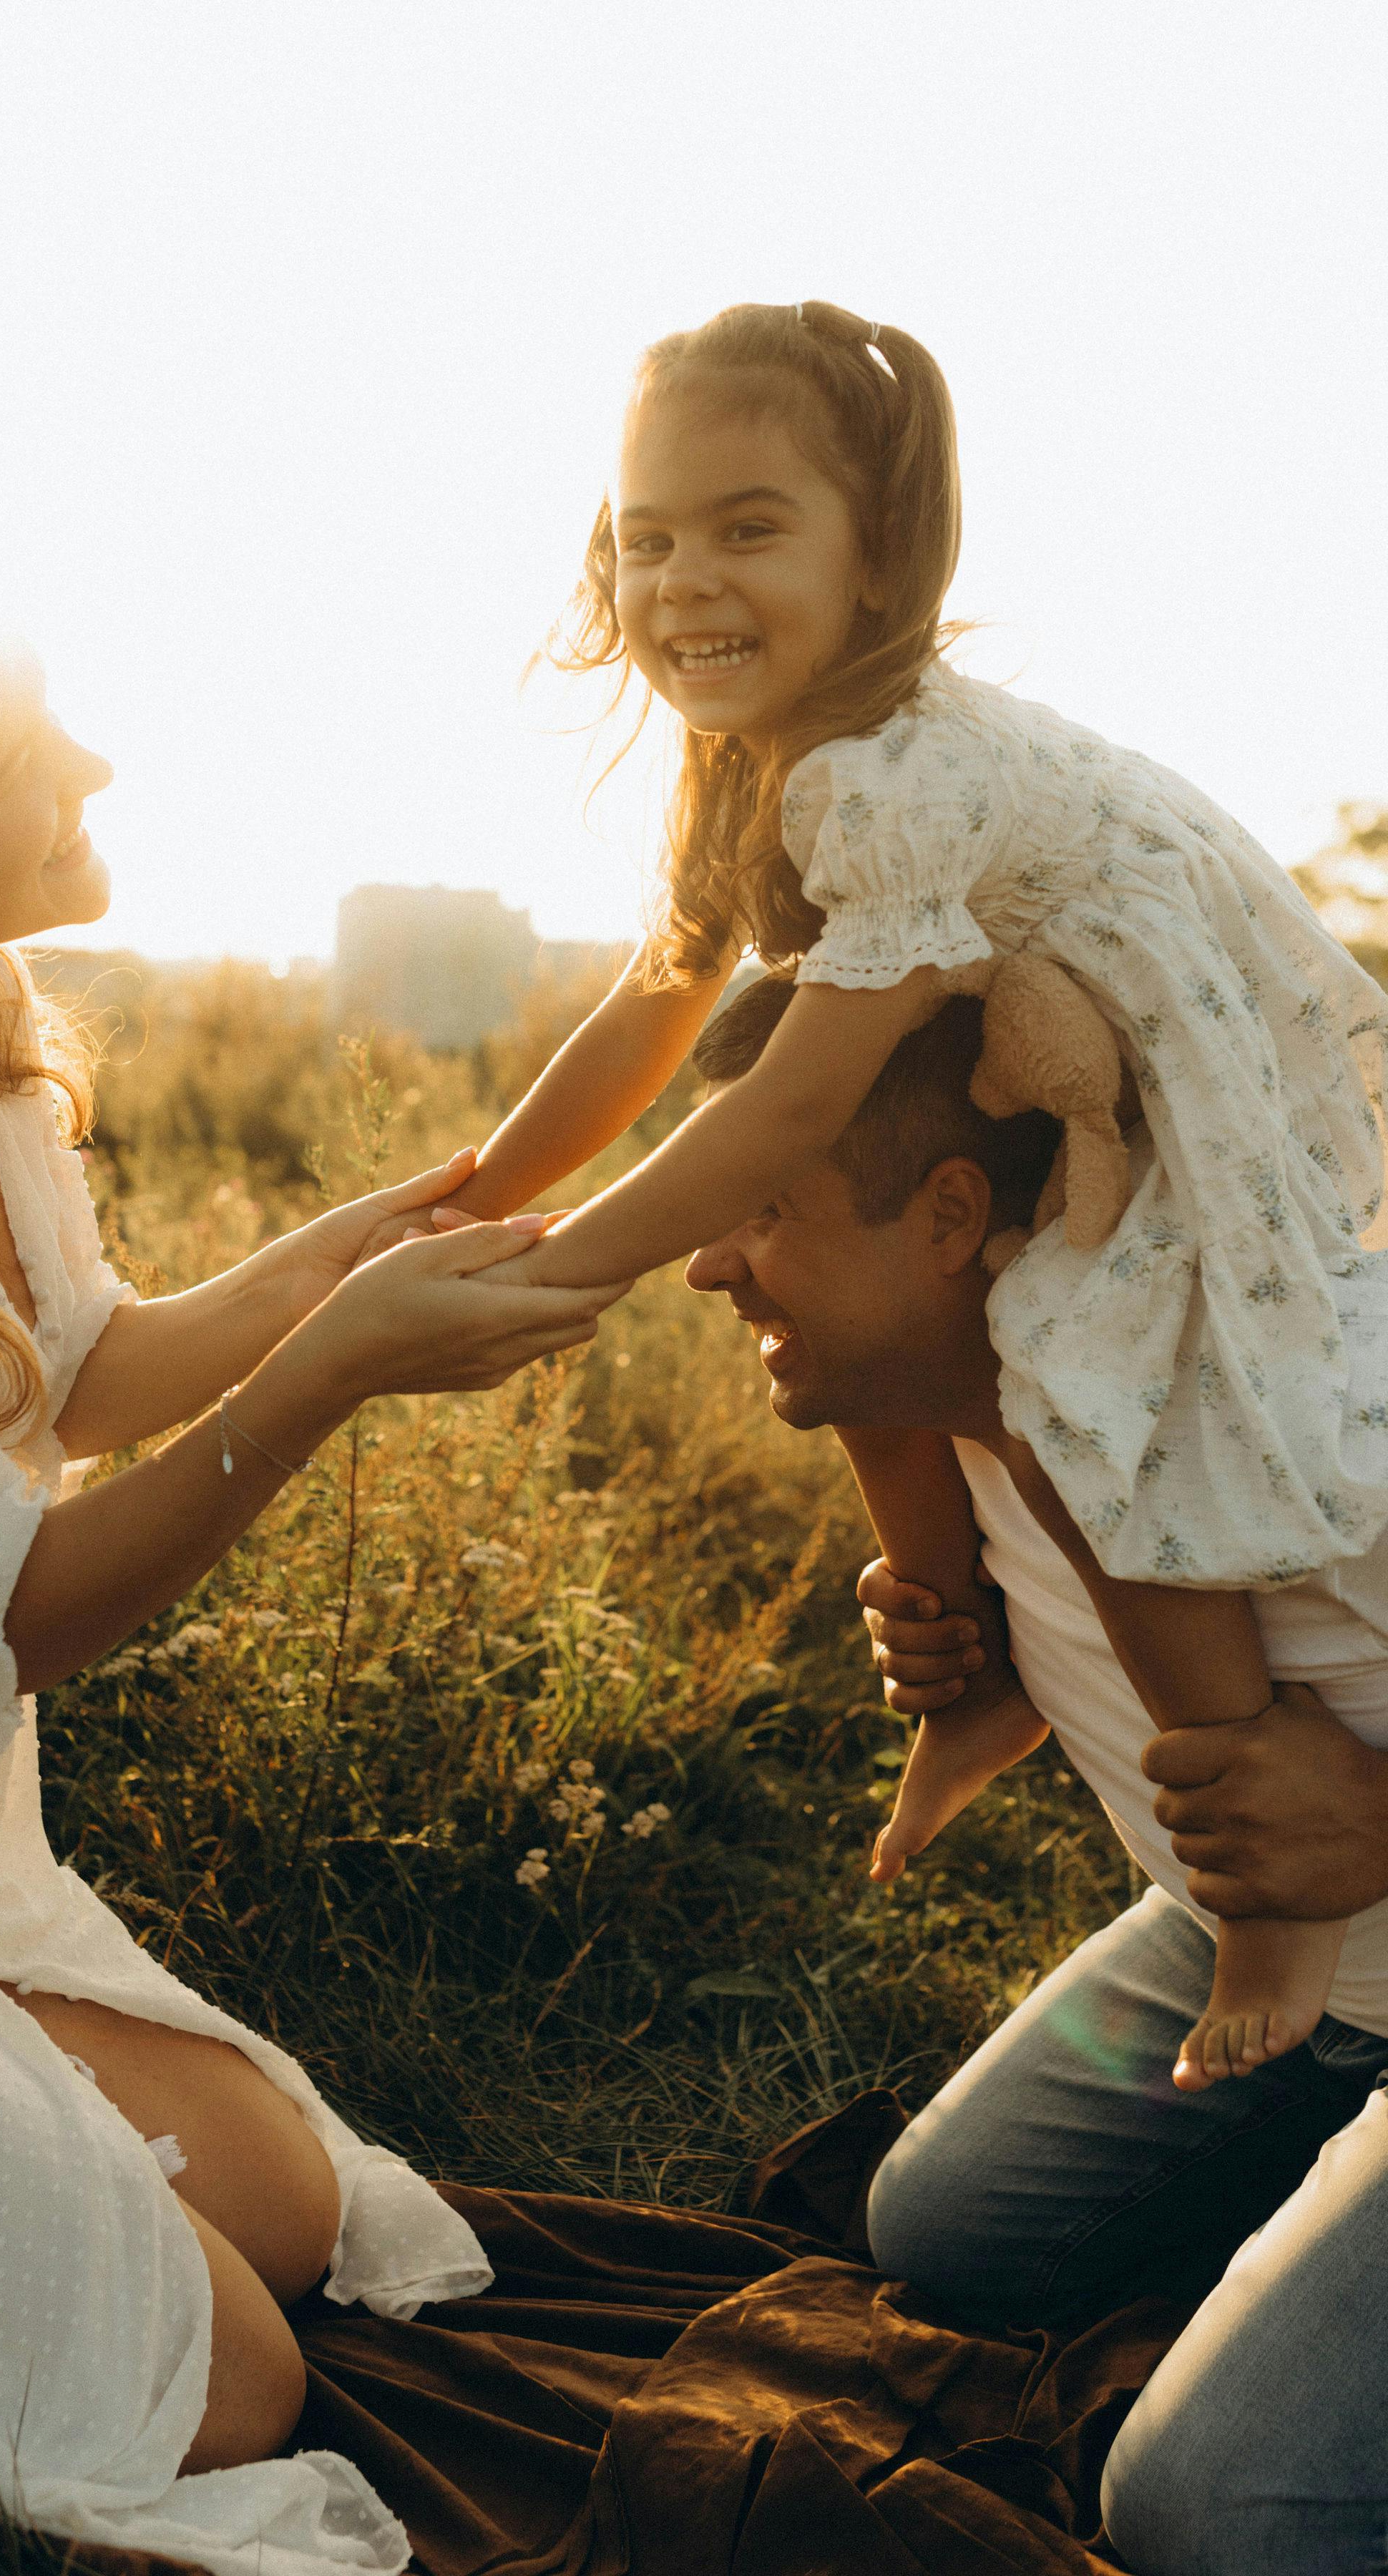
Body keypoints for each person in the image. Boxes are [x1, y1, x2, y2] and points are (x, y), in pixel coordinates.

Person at [0, 498, 627, 2576]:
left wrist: (355, 1250)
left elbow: (85, 1367)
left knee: (288, 2213)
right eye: (9, 757)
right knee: (227, 2388)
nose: (86, 769)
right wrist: (328, 1379)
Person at [427, 293, 1388, 2088]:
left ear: (879, 567)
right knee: (869, 1344)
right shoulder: (747, 765)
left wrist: (580, 1260)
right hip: (1018, 1028)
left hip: (1161, 1072)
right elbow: (660, 1003)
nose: (683, 579)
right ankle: (979, 1683)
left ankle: (1266, 1870)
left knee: (1112, 1403)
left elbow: (796, 1094)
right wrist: (488, 1186)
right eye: (646, 538)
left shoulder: (889, 768)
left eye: (748, 527)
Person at [685, 970, 1388, 2576]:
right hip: (1259, 1956)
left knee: (1212, 2516)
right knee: (944, 2233)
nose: (706, 1263)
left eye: (763, 1208)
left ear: (948, 1216)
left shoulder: (1321, 1437)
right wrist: (986, 1673)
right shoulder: (970, 1405)